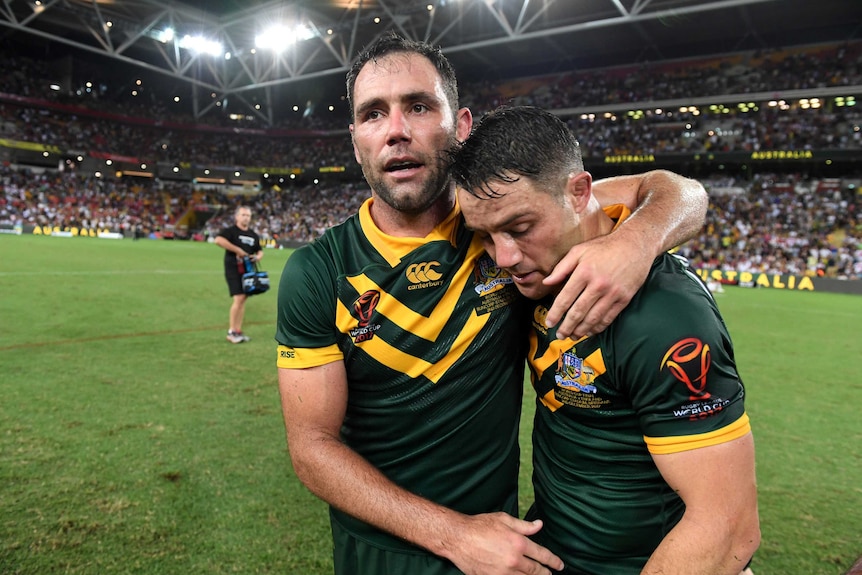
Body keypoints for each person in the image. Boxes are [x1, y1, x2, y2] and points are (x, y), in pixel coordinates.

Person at [275, 33, 708, 575]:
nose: (396, 131)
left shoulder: (509, 222)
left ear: (460, 127)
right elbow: (312, 449)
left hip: (504, 552)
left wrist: (635, 243)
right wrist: (452, 535)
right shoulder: (318, 272)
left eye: (418, 105)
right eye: (373, 114)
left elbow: (675, 191)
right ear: (356, 139)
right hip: (380, 555)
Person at [450, 105, 760, 575]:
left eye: (520, 228)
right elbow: (657, 188)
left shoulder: (665, 317)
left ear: (579, 195)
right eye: (487, 236)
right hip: (554, 548)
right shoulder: (542, 259)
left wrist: (638, 240)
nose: (505, 257)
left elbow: (728, 527)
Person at [214, 205, 263, 344]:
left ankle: (238, 330)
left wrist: (259, 256)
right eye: (243, 215)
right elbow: (218, 240)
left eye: (248, 215)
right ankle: (232, 331)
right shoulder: (231, 231)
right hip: (233, 268)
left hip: (248, 270)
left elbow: (259, 250)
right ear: (237, 217)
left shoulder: (253, 235)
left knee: (243, 299)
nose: (246, 217)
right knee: (239, 297)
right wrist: (238, 250)